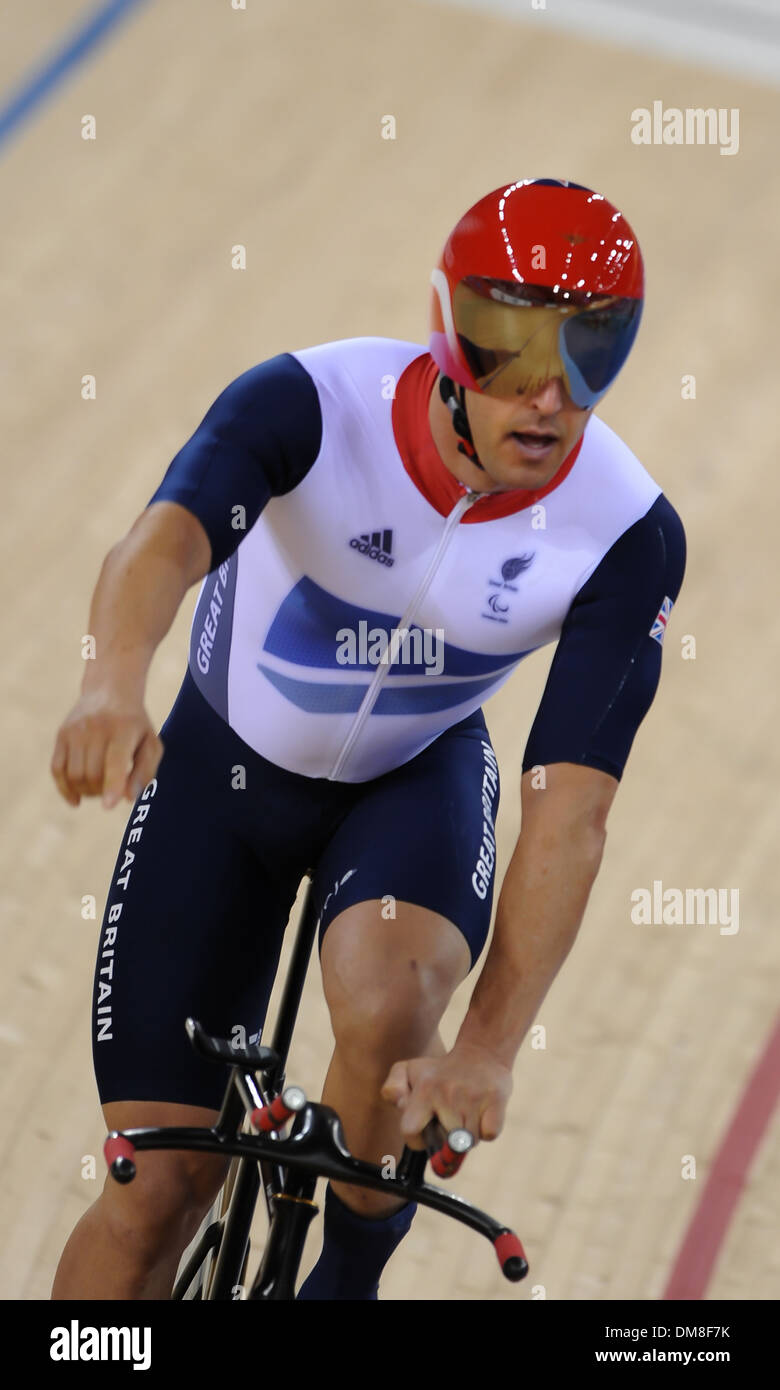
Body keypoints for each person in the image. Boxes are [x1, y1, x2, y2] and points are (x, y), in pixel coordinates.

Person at [50, 178, 685, 1301]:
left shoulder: (624, 531)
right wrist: (110, 682)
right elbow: (159, 544)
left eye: (589, 351)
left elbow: (571, 808)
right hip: (221, 771)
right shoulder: (310, 402)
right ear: (446, 326)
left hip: (412, 782)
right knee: (152, 1191)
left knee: (394, 1001)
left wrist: (487, 1044)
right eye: (507, 348)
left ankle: (343, 1279)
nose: (546, 395)